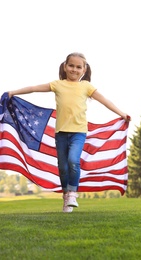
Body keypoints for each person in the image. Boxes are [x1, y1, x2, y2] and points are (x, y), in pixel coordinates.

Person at [8, 52, 130, 213]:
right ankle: (66, 196)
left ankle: (72, 192)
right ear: (65, 67)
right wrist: (13, 92)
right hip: (61, 134)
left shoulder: (86, 86)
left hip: (78, 132)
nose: (74, 69)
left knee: (73, 160)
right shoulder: (57, 84)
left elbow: (105, 100)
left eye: (78, 67)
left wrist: (121, 114)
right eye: (71, 66)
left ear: (84, 70)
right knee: (63, 167)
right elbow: (33, 88)